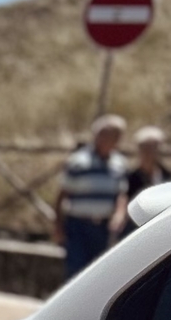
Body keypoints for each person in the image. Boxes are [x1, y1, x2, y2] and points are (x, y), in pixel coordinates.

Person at [54, 115, 128, 281]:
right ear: (98, 135)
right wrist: (58, 226)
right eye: (110, 135)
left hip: (102, 227)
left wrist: (119, 214)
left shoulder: (119, 164)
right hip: (78, 226)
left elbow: (121, 194)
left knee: (96, 275)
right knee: (76, 272)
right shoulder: (78, 162)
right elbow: (62, 196)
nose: (114, 140)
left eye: (117, 136)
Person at [112, 126, 167, 240]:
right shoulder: (131, 176)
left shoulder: (166, 175)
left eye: (153, 148)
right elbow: (123, 196)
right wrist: (119, 216)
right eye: (145, 149)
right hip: (135, 225)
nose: (149, 153)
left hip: (159, 225)